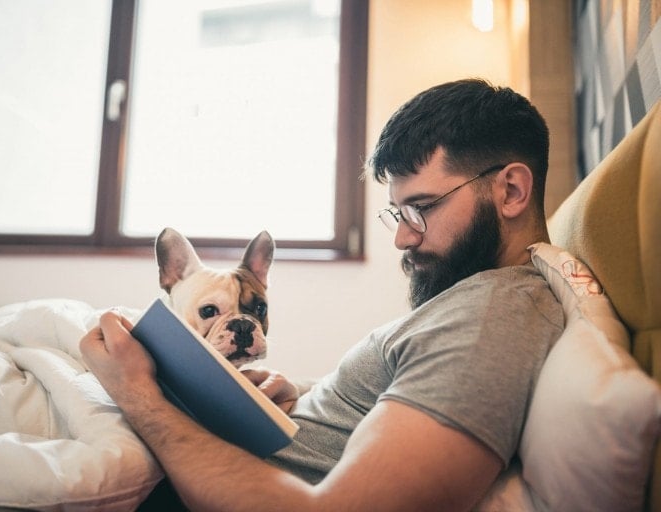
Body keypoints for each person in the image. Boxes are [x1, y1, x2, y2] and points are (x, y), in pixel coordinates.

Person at [80, 78, 565, 511]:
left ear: (512, 192)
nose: (402, 238)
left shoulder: (489, 323)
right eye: (398, 214)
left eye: (421, 208)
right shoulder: (470, 303)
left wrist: (138, 393)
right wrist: (304, 394)